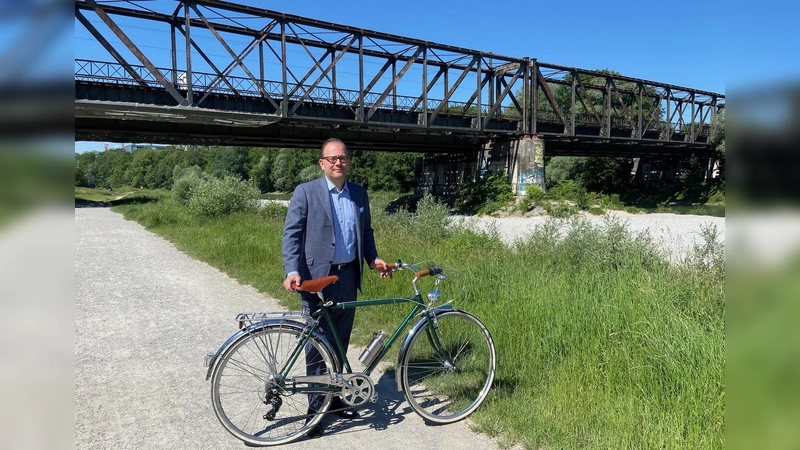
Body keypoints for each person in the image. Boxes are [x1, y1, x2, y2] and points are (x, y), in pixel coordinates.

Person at [282, 137, 391, 438]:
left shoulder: (359, 193)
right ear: (322, 163)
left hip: (347, 277)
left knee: (340, 343)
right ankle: (315, 410)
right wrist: (292, 271)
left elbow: (366, 233)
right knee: (317, 345)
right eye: (332, 158)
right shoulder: (306, 192)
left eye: (342, 158)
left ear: (348, 161)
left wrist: (374, 259)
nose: (338, 162)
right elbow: (291, 234)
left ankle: (335, 397)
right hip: (317, 279)